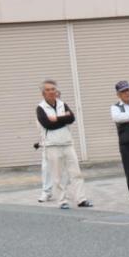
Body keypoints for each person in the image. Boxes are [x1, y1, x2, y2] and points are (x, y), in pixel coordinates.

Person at [36, 80, 92, 210]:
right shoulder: (40, 108)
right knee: (57, 176)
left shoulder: (62, 104)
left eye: (53, 89)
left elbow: (71, 118)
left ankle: (81, 199)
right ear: (43, 93)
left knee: (76, 173)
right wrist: (63, 118)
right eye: (48, 90)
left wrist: (55, 118)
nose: (51, 92)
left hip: (67, 143)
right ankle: (62, 201)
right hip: (52, 145)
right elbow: (47, 124)